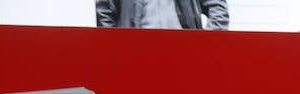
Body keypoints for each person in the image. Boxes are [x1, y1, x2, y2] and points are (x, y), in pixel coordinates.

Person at [96, 0, 228, 29]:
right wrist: (115, 49)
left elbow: (218, 10)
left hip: (184, 53)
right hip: (135, 53)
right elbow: (105, 12)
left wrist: (204, 46)